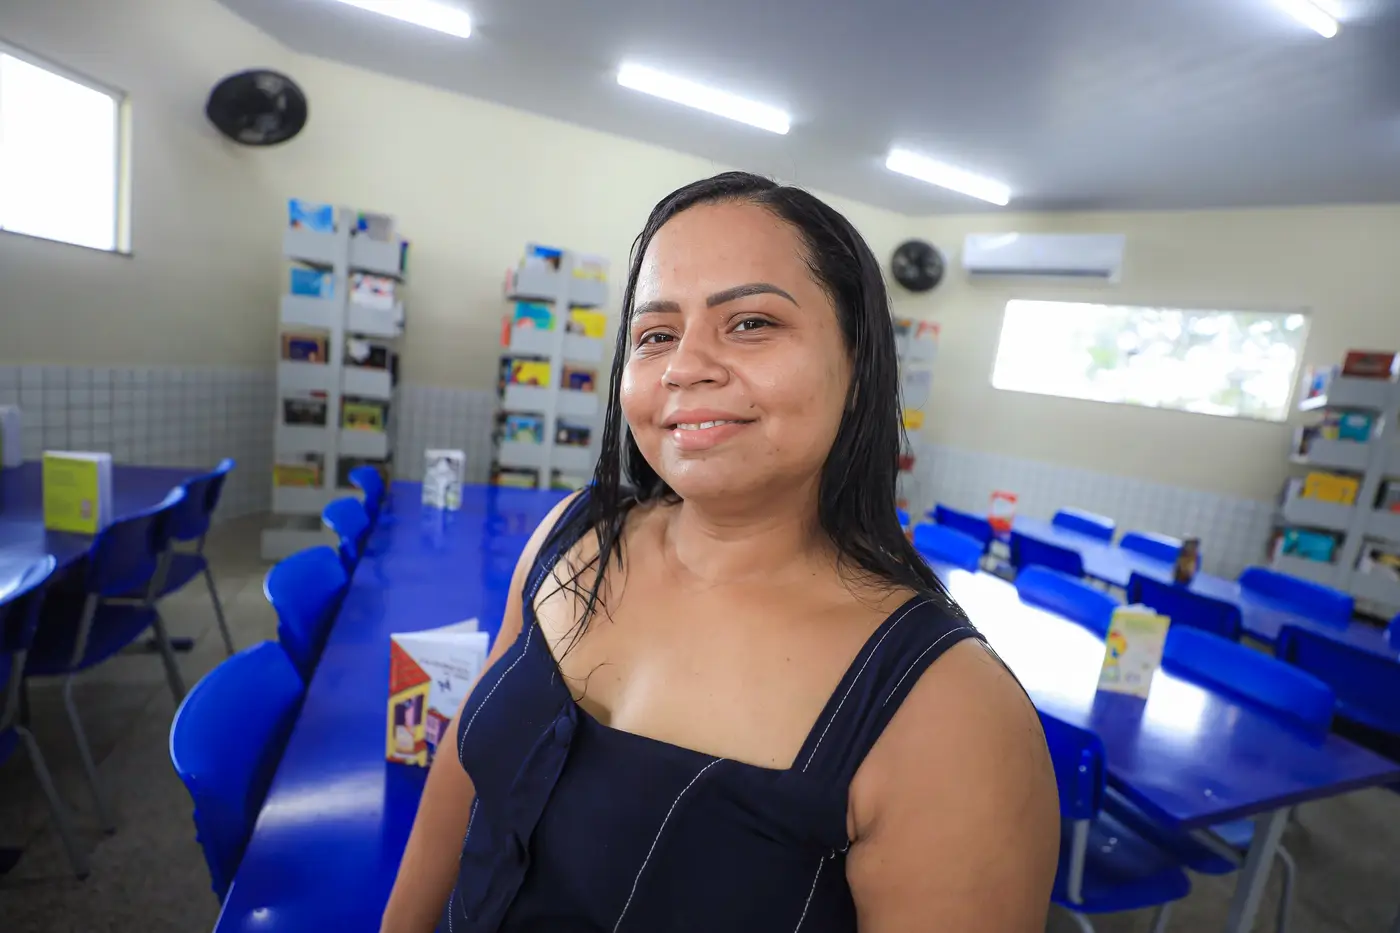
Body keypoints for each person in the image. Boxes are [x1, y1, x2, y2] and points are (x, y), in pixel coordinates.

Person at [380, 172, 1058, 933]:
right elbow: (469, 775)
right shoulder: (573, 536)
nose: (683, 365)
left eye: (750, 322)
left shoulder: (951, 713)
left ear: (860, 364)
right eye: (656, 333)